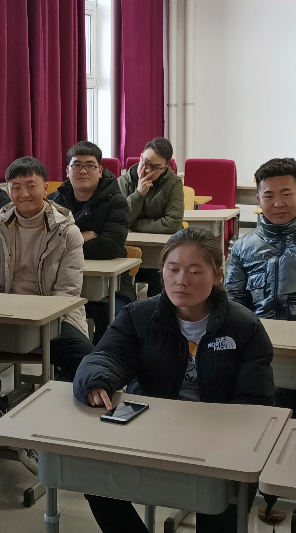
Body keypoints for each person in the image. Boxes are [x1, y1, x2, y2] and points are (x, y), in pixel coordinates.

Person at [73, 227, 274, 533]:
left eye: (195, 271)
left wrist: (220, 436)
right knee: (94, 477)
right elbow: (107, 356)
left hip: (218, 438)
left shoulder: (244, 327)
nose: (182, 280)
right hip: (150, 429)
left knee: (222, 502)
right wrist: (98, 382)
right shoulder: (139, 315)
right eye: (173, 269)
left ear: (217, 275)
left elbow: (255, 399)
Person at [0, 157, 95, 470]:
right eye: (16, 187)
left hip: (55, 317)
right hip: (3, 317)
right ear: (7, 190)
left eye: (31, 186)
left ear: (45, 188)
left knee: (87, 361)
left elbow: (67, 292)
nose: (24, 193)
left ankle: (43, 423)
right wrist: (5, 313)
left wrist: (33, 317)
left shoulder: (67, 232)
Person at [226, 158, 296, 322]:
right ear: (259, 200)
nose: (278, 204)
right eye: (269, 196)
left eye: (286, 194)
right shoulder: (243, 246)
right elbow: (235, 300)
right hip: (260, 331)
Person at [49, 142, 134, 339]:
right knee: (54, 320)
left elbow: (110, 246)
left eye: (90, 165)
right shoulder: (55, 200)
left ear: (100, 170)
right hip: (60, 282)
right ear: (67, 170)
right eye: (77, 165)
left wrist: (66, 243)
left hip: (112, 286)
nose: (83, 170)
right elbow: (44, 243)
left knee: (113, 319)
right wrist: (83, 236)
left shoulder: (116, 201)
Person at [117, 137, 184, 295]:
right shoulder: (123, 182)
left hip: (163, 252)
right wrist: (138, 194)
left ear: (165, 167)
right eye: (145, 162)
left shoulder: (174, 183)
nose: (147, 170)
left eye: (155, 167)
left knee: (162, 275)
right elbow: (120, 220)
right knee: (121, 282)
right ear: (140, 157)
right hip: (127, 251)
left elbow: (172, 224)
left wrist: (135, 224)